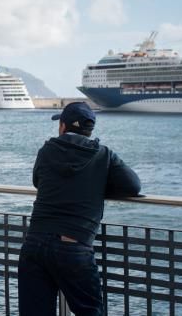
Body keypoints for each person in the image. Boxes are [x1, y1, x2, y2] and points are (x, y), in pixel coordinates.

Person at [18, 102, 141, 316]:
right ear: (90, 129)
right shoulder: (103, 155)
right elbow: (132, 186)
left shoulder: (47, 150)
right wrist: (97, 183)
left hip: (35, 243)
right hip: (73, 247)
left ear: (62, 126)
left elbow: (38, 181)